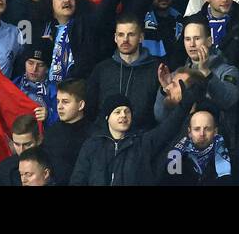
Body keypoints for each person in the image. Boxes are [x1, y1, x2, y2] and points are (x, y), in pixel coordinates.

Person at [70, 76, 207, 187]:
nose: (123, 115)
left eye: (127, 112)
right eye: (117, 112)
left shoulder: (143, 142)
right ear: (107, 117)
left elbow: (168, 128)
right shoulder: (92, 145)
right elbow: (78, 180)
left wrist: (184, 106)